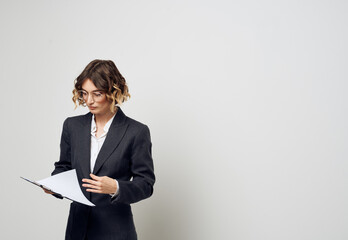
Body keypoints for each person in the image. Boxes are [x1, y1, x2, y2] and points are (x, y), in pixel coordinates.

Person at [43, 59, 155, 240]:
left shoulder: (136, 132)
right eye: (84, 93)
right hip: (77, 230)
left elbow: (146, 184)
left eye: (97, 94)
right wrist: (54, 185)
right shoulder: (72, 126)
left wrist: (116, 187)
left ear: (113, 92)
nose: (89, 100)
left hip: (115, 231)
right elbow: (63, 166)